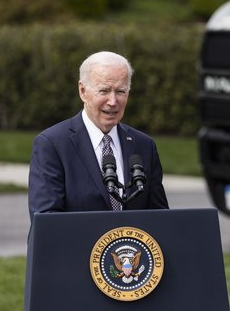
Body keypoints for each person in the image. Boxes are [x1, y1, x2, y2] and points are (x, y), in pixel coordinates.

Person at [28, 51, 168, 221]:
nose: (113, 101)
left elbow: (160, 219)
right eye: (104, 90)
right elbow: (46, 220)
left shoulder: (144, 146)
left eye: (121, 91)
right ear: (82, 91)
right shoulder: (53, 144)